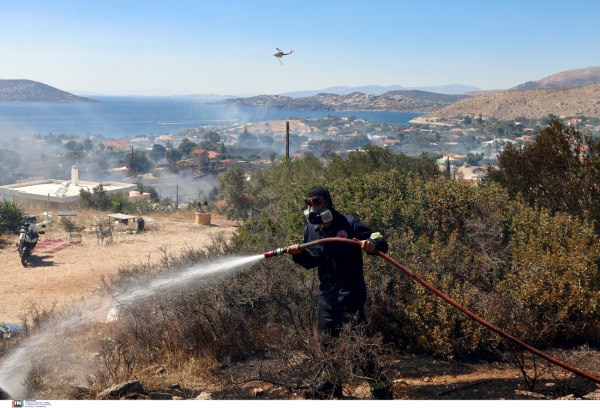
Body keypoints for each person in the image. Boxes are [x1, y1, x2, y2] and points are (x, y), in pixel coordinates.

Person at [286, 186, 393, 400]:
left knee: (359, 343)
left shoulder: (348, 223)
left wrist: (373, 244)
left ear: (327, 202)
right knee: (327, 343)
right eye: (309, 204)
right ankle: (331, 386)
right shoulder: (311, 230)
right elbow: (312, 262)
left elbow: (379, 239)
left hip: (350, 293)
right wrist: (298, 254)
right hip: (327, 296)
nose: (312, 208)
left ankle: (381, 390)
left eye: (317, 202)